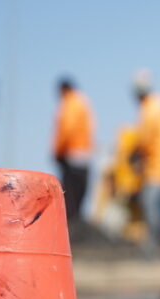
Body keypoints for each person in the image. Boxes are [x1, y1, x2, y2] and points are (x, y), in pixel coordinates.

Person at [131, 69, 160, 247]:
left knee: (152, 205)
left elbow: (146, 138)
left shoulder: (149, 109)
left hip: (157, 166)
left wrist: (135, 154)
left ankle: (158, 245)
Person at [52, 78, 94, 222]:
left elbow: (66, 129)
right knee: (80, 192)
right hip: (85, 153)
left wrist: (57, 151)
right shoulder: (83, 101)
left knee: (69, 194)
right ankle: (76, 222)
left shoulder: (69, 103)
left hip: (71, 153)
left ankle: (70, 225)